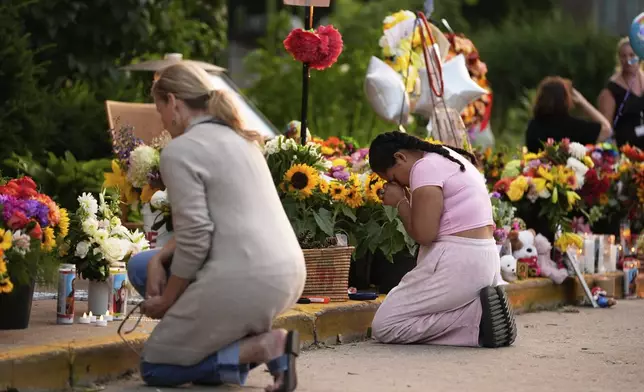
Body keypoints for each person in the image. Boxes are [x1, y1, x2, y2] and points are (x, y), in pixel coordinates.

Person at [126, 62, 306, 392]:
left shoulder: (181, 151)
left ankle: (263, 347)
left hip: (246, 276)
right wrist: (157, 258)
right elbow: (218, 221)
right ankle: (230, 355)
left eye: (159, 110)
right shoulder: (244, 140)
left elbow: (196, 239)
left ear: (174, 102)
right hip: (288, 273)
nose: (162, 121)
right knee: (141, 265)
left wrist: (166, 299)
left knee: (156, 367)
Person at [368, 131, 516, 348]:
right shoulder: (447, 157)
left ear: (400, 157)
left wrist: (400, 203)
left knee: (385, 324)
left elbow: (425, 235)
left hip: (458, 262)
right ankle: (478, 314)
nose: (398, 185)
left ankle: (476, 318)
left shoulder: (424, 167)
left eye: (392, 178)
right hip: (483, 261)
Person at [525, 76, 612, 153]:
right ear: (565, 99)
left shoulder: (533, 126)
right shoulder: (576, 127)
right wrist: (583, 102)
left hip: (538, 171)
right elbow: (607, 129)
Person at [598, 37, 644, 150]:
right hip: (624, 150)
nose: (628, 60)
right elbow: (605, 128)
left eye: (632, 55)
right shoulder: (611, 90)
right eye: (623, 56)